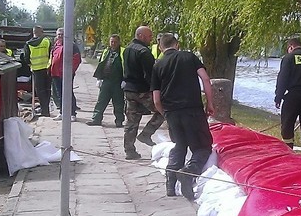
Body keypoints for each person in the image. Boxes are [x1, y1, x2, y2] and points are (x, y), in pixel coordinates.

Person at [152, 33, 215, 199]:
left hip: (172, 112)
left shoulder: (158, 65)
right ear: (177, 44)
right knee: (202, 146)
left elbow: (156, 99)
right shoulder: (189, 57)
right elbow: (206, 79)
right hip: (192, 109)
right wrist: (210, 103)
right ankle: (190, 171)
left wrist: (166, 114)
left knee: (179, 145)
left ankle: (170, 185)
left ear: (161, 47)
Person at [122, 25, 165, 160]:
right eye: (149, 36)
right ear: (140, 35)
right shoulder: (144, 52)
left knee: (131, 121)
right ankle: (146, 133)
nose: (151, 39)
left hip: (129, 89)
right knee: (163, 110)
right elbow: (151, 74)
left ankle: (129, 150)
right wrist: (155, 91)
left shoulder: (127, 49)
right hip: (142, 90)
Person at [87, 34, 125, 127]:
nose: (113, 43)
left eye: (115, 42)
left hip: (118, 82)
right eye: (112, 41)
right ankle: (96, 119)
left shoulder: (123, 52)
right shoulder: (106, 52)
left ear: (119, 42)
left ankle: (119, 121)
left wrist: (125, 80)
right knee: (101, 101)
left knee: (118, 103)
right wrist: (99, 79)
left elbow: (127, 66)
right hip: (106, 81)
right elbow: (101, 65)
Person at [50, 28, 82, 122]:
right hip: (55, 73)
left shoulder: (71, 45)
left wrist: (70, 70)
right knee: (59, 94)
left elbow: (77, 59)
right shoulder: (56, 45)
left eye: (62, 34)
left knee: (68, 93)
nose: (60, 36)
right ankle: (62, 112)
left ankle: (72, 113)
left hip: (66, 74)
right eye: (58, 34)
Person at [22, 25, 52, 117]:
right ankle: (46, 110)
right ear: (42, 32)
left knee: (40, 91)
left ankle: (44, 111)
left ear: (33, 32)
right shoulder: (47, 41)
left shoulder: (28, 44)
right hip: (47, 68)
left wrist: (31, 64)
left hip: (36, 69)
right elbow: (52, 53)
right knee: (47, 90)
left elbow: (26, 58)